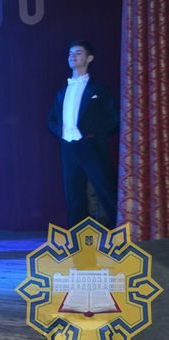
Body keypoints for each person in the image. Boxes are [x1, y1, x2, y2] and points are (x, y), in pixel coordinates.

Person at [48, 40, 119, 228]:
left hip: (91, 146)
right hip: (68, 148)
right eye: (70, 53)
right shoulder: (61, 92)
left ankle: (120, 237)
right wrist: (62, 132)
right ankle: (78, 239)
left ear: (89, 58)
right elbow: (52, 120)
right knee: (74, 196)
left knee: (106, 191)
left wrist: (95, 133)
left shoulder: (98, 90)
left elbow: (116, 117)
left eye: (78, 53)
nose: (72, 56)